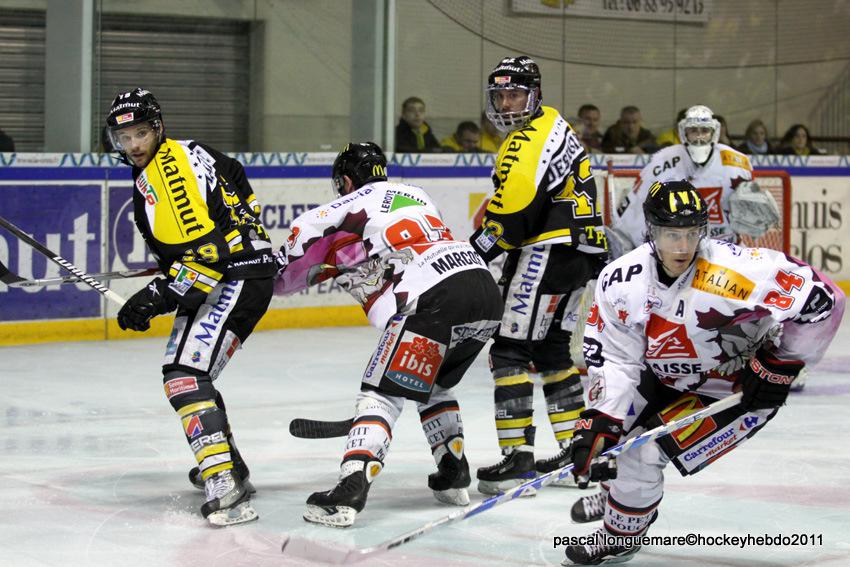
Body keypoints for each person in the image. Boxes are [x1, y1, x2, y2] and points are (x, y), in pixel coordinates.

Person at [562, 180, 844, 565]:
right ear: (651, 230)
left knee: (641, 454)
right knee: (612, 439)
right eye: (671, 234)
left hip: (735, 386)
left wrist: (781, 364)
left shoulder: (739, 270)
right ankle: (622, 497)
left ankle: (620, 535)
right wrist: (602, 415)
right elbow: (618, 357)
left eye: (692, 233)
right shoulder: (622, 278)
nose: (683, 246)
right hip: (664, 373)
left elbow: (825, 299)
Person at [275, 142, 503, 527]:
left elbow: (291, 263)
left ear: (346, 181)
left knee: (381, 394)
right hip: (482, 288)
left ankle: (351, 488)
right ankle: (453, 472)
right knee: (435, 386)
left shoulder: (338, 208)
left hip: (433, 297)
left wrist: (265, 273)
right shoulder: (416, 194)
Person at [105, 88, 277, 526]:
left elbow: (208, 257)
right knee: (192, 373)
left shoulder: (165, 174)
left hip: (232, 277)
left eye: (141, 133)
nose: (133, 145)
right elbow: (233, 173)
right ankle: (228, 465)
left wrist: (156, 296)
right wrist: (244, 226)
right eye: (124, 138)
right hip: (242, 271)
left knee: (184, 376)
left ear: (158, 128)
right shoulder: (187, 148)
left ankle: (225, 483)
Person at [469, 55, 608, 495]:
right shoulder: (554, 123)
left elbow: (512, 217)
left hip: (546, 252)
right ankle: (577, 454)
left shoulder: (527, 140)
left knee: (509, 351)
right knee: (551, 351)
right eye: (501, 96)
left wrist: (472, 254)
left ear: (535, 95)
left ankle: (517, 461)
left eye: (516, 94)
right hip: (579, 253)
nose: (508, 104)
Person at [611, 104, 754, 254]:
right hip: (679, 253)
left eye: (705, 130)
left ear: (714, 132)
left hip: (727, 249)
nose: (699, 137)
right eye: (693, 130)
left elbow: (752, 215)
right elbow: (633, 209)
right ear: (684, 132)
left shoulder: (737, 163)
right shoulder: (661, 162)